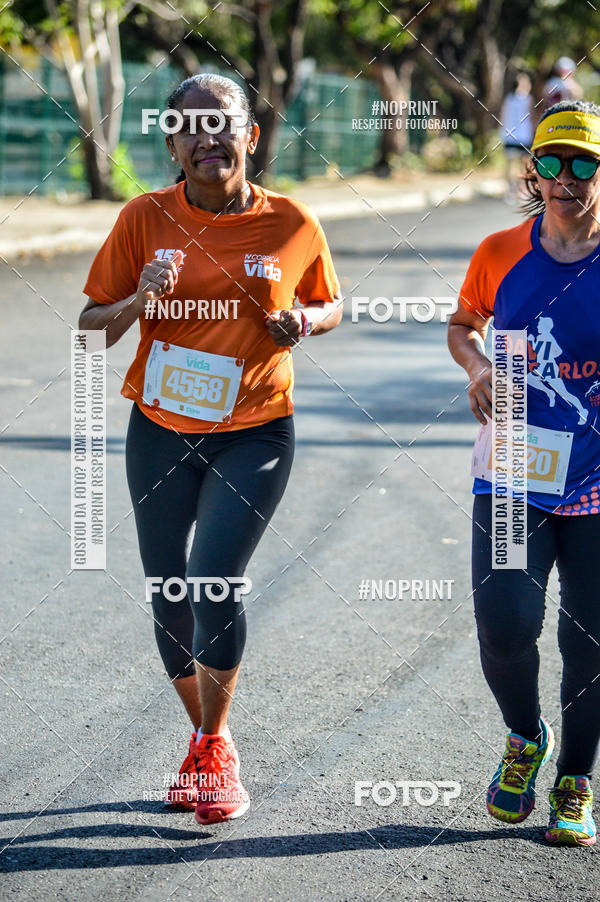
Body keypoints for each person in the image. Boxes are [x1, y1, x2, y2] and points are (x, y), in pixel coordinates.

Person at [79, 73, 342, 825]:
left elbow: (329, 300)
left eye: (221, 124)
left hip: (255, 429)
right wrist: (139, 301)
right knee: (169, 595)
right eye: (189, 127)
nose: (206, 138)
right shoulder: (143, 219)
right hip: (160, 430)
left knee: (211, 579)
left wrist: (305, 323)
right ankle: (205, 738)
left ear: (250, 137)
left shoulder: (291, 223)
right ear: (171, 144)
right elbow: (90, 327)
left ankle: (214, 743)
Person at [448, 100, 600, 846]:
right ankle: (524, 736)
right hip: (513, 469)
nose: (567, 177)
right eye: (553, 162)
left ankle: (575, 778)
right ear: (532, 171)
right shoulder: (500, 250)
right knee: (504, 626)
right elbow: (461, 323)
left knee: (593, 640)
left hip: (599, 476)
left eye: (585, 163)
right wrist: (477, 368)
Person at [500, 73, 534, 200]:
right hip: (524, 136)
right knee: (524, 165)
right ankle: (521, 190)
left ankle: (510, 190)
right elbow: (532, 118)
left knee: (509, 165)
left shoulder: (508, 99)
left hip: (509, 134)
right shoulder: (529, 99)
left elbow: (503, 116)